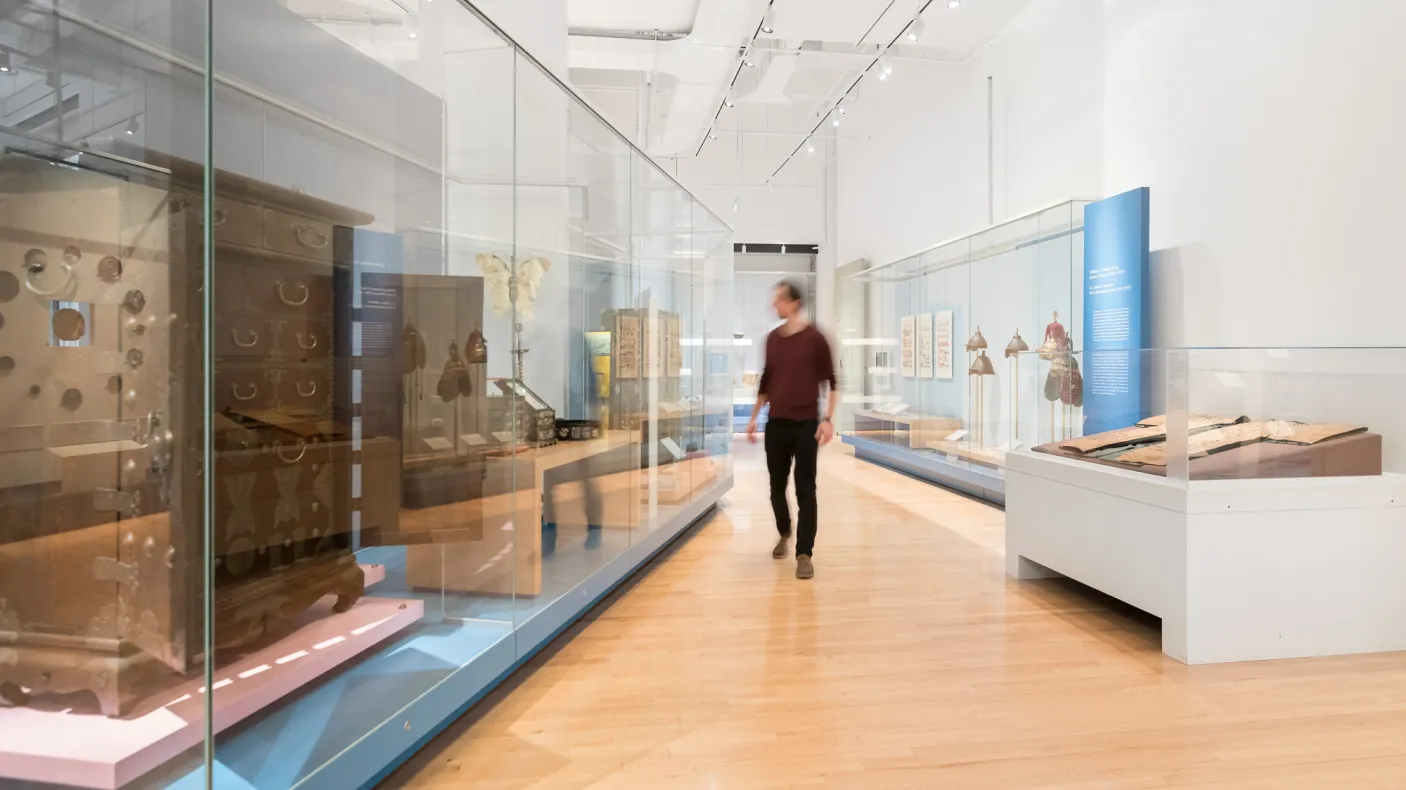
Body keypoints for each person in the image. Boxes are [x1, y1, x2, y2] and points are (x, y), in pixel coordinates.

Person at [747, 280, 839, 580]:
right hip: (776, 425)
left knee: (805, 489)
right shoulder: (772, 339)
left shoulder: (815, 338)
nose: (775, 305)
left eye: (779, 300)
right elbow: (766, 384)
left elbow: (832, 381)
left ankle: (804, 553)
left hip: (806, 426)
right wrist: (752, 419)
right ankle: (785, 531)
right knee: (776, 487)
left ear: (794, 303)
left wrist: (827, 419)